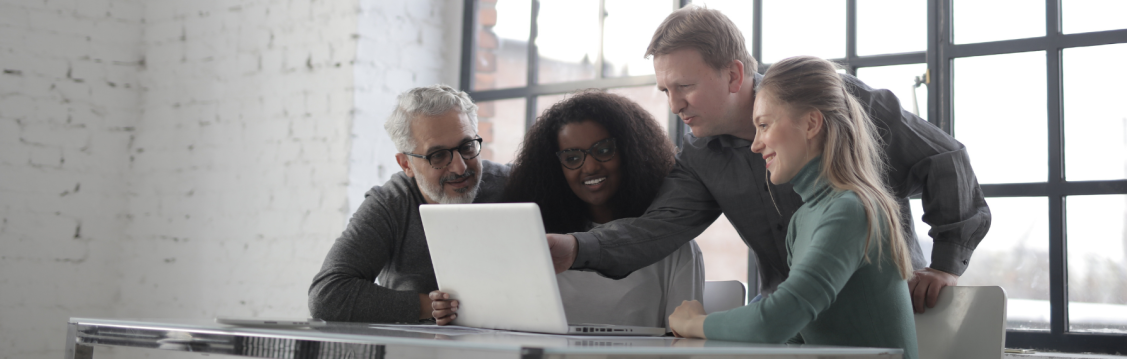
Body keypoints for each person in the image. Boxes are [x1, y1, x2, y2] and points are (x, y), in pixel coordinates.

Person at [546, 5, 990, 313]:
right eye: (666, 91)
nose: (675, 105)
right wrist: (575, 247)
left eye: (685, 86)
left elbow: (944, 160)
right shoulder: (700, 156)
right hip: (790, 328)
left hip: (881, 317)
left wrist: (945, 267)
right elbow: (655, 229)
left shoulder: (834, 99)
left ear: (735, 73)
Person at [668, 56, 919, 359]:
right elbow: (795, 339)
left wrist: (696, 323)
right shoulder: (803, 220)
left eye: (764, 125)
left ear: (811, 123)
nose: (755, 144)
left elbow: (773, 323)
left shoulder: (851, 210)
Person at [429, 90, 704, 328]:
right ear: (554, 169)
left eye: (604, 150)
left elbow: (685, 343)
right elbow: (498, 329)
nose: (590, 167)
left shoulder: (674, 248)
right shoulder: (537, 244)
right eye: (572, 157)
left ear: (632, 152)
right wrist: (455, 310)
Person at [307, 84, 511, 323]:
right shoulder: (390, 205)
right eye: (438, 155)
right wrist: (431, 307)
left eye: (466, 147)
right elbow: (327, 295)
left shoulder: (513, 184)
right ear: (405, 164)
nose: (460, 167)